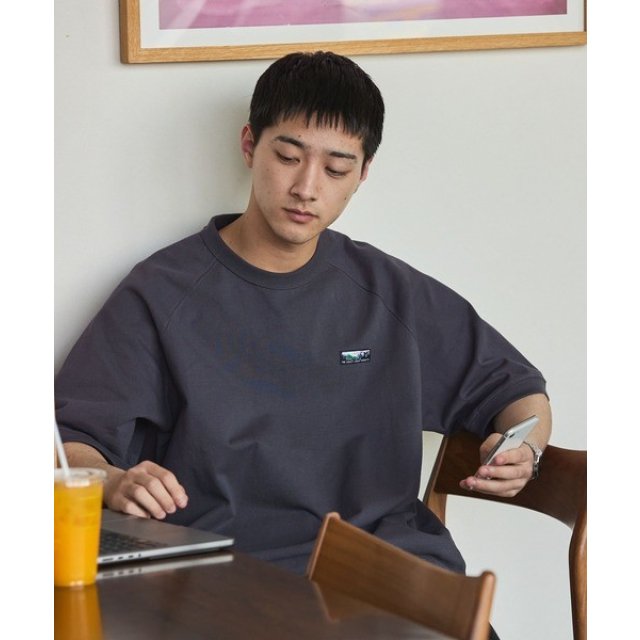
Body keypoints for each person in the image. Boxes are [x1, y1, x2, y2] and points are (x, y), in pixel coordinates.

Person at [56, 52, 551, 582]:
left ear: (362, 174)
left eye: (336, 169)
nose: (307, 188)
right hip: (227, 577)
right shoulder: (163, 292)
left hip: (385, 571)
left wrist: (525, 448)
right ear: (250, 145)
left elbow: (519, 393)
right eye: (289, 156)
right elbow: (69, 443)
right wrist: (114, 482)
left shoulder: (389, 292)